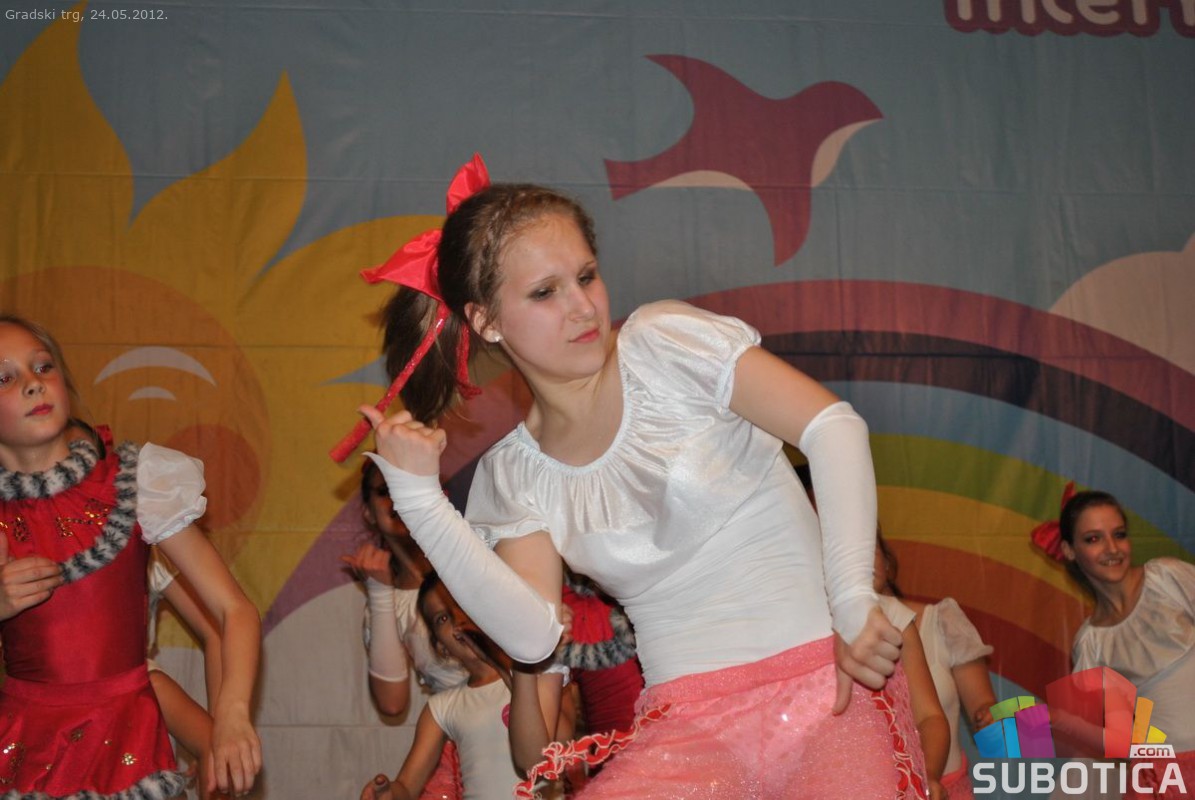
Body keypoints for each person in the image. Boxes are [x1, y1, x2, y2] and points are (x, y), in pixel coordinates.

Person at [348, 155, 915, 798]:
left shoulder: (663, 343)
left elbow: (833, 426)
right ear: (486, 322)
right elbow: (532, 638)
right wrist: (420, 499)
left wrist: (852, 599)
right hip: (692, 729)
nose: (582, 307)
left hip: (829, 686)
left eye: (586, 276)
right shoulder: (515, 475)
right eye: (544, 292)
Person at [0, 314, 262, 798]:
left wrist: (231, 714)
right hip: (24, 745)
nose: (33, 384)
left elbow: (234, 610)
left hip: (125, 739)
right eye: (5, 377)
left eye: (42, 366)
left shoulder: (135, 483)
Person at [1035, 487, 1195, 799]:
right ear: (1069, 550)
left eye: (1119, 535)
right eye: (1093, 539)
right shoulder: (1092, 643)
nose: (1112, 549)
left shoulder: (1167, 579)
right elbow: (1119, 742)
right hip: (1162, 781)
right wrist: (1057, 719)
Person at [359, 572, 552, 800]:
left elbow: (556, 746)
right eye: (442, 618)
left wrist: (505, 668)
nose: (457, 621)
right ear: (440, 645)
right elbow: (407, 787)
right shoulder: (442, 707)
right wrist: (388, 794)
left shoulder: (539, 675)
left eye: (461, 605)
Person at [343, 458, 470, 800]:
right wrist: (380, 593)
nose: (397, 498)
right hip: (461, 744)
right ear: (369, 512)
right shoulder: (387, 600)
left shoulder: (475, 560)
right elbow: (392, 703)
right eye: (386, 490)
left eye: (407, 486)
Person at [875, 531, 996, 800]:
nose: (856, 561)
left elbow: (988, 712)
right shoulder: (818, 639)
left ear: (887, 561)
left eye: (866, 548)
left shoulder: (941, 620)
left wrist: (994, 716)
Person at [147, 551, 223, 798]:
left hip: (137, 691)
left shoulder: (148, 548)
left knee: (216, 752)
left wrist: (218, 732)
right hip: (47, 698)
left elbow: (216, 628)